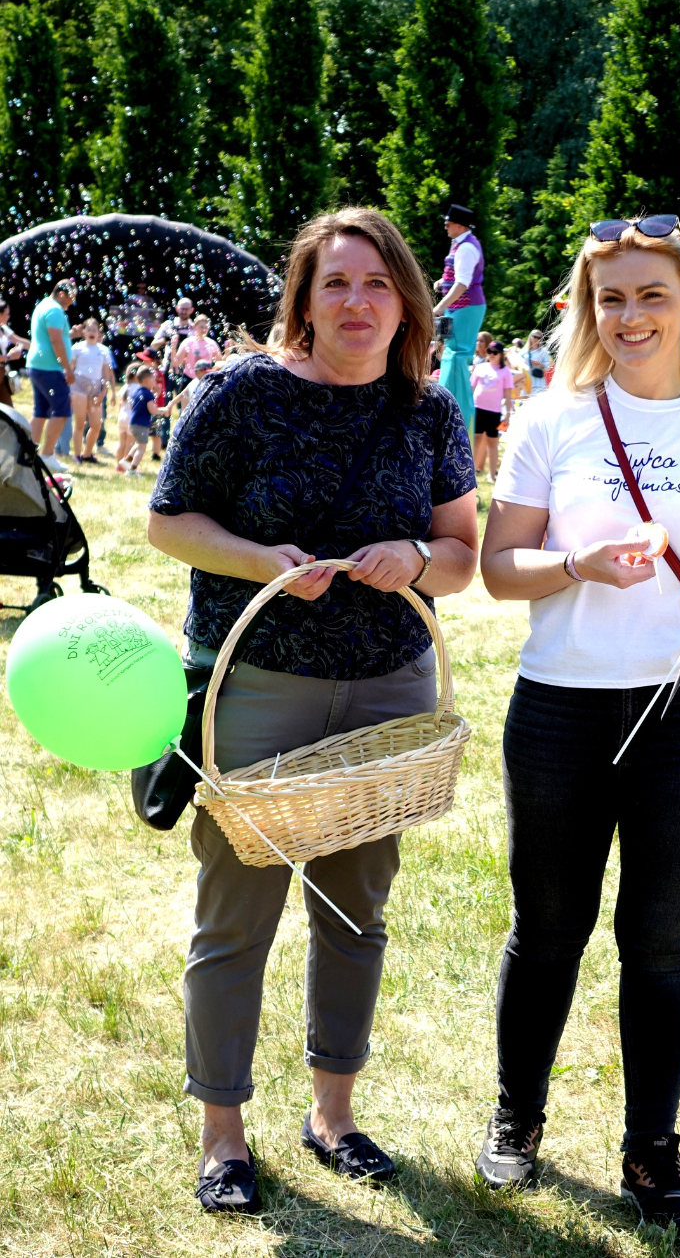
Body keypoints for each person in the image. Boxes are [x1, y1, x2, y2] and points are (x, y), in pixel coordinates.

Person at [146, 206, 478, 1215]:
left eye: (377, 284)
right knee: (235, 916)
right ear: (303, 299)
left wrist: (417, 559)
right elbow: (167, 522)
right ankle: (224, 1131)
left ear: (407, 302)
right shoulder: (241, 395)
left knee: (355, 912)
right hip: (261, 688)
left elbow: (461, 555)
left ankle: (333, 1113)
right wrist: (261, 563)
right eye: (336, 282)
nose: (358, 302)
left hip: (387, 695)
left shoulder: (428, 413)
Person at [477, 214, 680, 1231]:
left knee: (661, 940)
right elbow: (496, 569)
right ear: (587, 308)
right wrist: (579, 564)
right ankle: (519, 1116)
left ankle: (652, 1148)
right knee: (548, 927)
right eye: (612, 297)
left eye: (653, 293)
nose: (631, 315)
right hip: (559, 707)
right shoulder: (552, 419)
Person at [432, 203, 487, 431]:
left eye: (447, 223)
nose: (445, 227)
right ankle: (444, 404)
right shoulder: (460, 244)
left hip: (466, 307)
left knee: (457, 356)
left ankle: (459, 416)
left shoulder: (466, 248)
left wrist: (438, 308)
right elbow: (455, 278)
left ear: (458, 225)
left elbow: (463, 284)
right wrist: (441, 284)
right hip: (456, 308)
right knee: (447, 353)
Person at [26, 279, 77, 474]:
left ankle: (29, 451)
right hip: (50, 368)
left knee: (40, 412)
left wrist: (72, 334)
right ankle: (47, 455)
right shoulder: (55, 310)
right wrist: (67, 368)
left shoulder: (43, 306)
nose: (72, 302)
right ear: (62, 294)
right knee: (62, 411)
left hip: (37, 366)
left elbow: (55, 337)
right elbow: (55, 341)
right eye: (71, 297)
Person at [70, 318, 115, 464]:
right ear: (83, 332)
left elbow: (106, 373)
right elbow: (71, 368)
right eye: (88, 329)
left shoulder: (103, 350)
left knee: (96, 425)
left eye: (94, 330)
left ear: (98, 333)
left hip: (96, 387)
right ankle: (77, 454)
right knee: (80, 422)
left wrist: (104, 392)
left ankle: (87, 454)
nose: (91, 332)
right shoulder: (77, 348)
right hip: (79, 385)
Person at [471, 340, 515, 481]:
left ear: (501, 354)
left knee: (492, 442)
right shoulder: (481, 367)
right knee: (475, 440)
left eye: (495, 352)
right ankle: (470, 473)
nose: (492, 354)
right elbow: (471, 388)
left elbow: (508, 394)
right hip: (477, 408)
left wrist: (508, 412)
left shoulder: (506, 372)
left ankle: (492, 475)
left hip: (494, 411)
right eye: (489, 351)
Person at [119, 366, 171, 475]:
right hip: (142, 425)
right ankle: (132, 470)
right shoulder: (148, 394)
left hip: (133, 423)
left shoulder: (137, 392)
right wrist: (163, 410)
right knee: (142, 448)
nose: (155, 382)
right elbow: (152, 410)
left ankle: (126, 460)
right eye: (153, 379)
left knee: (138, 444)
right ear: (147, 380)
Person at [151, 296, 196, 392]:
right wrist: (166, 339)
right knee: (164, 402)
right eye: (182, 308)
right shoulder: (168, 325)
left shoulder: (195, 328)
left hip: (187, 371)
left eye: (186, 309)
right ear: (176, 308)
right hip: (167, 369)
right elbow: (153, 345)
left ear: (192, 310)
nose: (184, 311)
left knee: (185, 404)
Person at [174, 315, 221, 385]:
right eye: (201, 327)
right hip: (189, 380)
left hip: (206, 380)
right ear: (194, 326)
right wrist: (173, 348)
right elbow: (176, 362)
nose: (204, 330)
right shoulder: (188, 342)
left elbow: (219, 363)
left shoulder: (212, 343)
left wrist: (225, 353)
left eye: (206, 327)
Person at [0, 297, 29, 408]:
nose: (9, 317)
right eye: (6, 314)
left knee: (8, 410)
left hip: (3, 373)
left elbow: (18, 340)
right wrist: (9, 356)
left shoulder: (3, 328)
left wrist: (38, 347)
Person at [115, 363, 138, 469]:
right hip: (131, 418)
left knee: (121, 443)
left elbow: (121, 403)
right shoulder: (138, 388)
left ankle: (118, 465)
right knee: (130, 443)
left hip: (122, 417)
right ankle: (125, 465)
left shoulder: (125, 387)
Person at [525, 329, 551, 395]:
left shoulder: (543, 351)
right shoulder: (524, 351)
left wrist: (539, 364)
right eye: (534, 336)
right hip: (526, 380)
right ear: (530, 337)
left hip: (538, 380)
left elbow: (548, 366)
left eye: (539, 338)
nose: (536, 339)